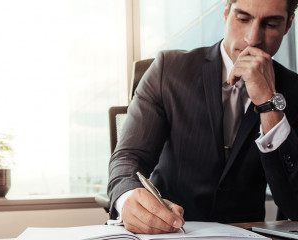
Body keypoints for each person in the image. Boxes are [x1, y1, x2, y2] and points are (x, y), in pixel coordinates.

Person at [108, 0, 298, 234]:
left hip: (244, 233)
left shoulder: (293, 90)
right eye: (243, 18)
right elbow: (128, 158)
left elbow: (294, 204)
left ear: (288, 24)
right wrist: (128, 199)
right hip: (170, 232)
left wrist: (269, 104)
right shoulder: (168, 69)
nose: (253, 38)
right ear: (226, 13)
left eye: (270, 24)